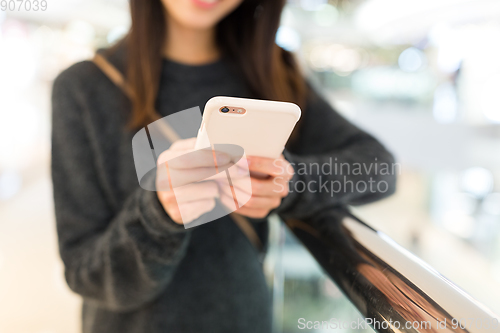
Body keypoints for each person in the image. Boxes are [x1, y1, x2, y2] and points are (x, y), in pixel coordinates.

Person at [51, 0, 396, 332]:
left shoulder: (270, 70)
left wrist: (289, 182)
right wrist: (158, 215)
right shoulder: (83, 88)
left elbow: (380, 170)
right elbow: (84, 272)